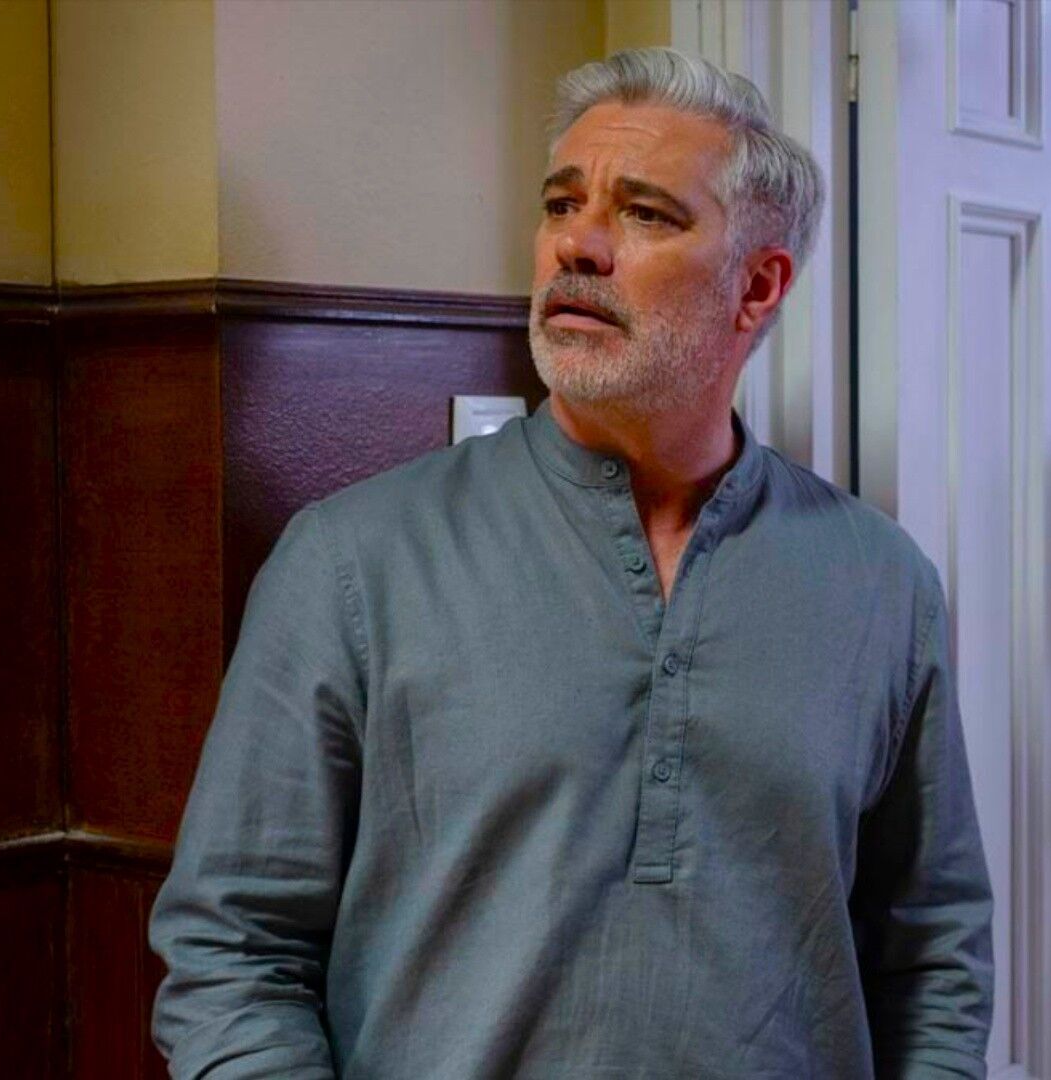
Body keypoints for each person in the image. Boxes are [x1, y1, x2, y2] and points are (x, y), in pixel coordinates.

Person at [149, 48, 993, 1079]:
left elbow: (932, 952)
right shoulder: (352, 563)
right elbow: (232, 951)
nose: (576, 244)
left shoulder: (879, 584)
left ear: (758, 285)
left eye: (645, 213)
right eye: (561, 204)